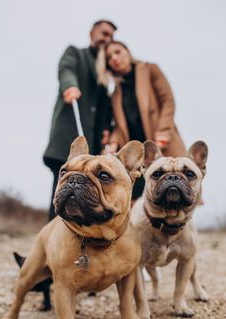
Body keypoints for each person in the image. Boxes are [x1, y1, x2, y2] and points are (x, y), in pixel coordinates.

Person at [43, 20, 117, 220]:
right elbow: (66, 70)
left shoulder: (105, 69)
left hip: (91, 144)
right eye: (104, 33)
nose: (106, 38)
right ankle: (50, 245)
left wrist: (108, 129)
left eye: (110, 36)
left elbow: (105, 106)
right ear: (92, 32)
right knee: (61, 192)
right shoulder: (76, 53)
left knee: (84, 196)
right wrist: (70, 86)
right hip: (67, 137)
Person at [96, 40, 186, 200]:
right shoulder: (116, 92)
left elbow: (167, 100)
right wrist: (113, 142)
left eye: (118, 52)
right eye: (109, 57)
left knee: (174, 192)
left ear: (127, 52)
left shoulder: (150, 69)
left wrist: (164, 131)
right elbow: (118, 124)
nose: (114, 58)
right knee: (135, 197)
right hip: (137, 154)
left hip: (162, 142)